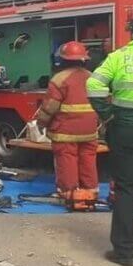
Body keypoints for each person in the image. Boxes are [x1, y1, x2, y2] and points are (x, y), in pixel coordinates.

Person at [87, 17, 133, 266]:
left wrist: (107, 115)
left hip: (126, 129)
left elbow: (94, 84)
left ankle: (125, 253)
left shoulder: (120, 56)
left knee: (128, 189)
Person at [36, 41, 99, 203]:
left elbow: (50, 107)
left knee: (67, 159)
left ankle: (69, 193)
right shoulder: (93, 77)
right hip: (89, 129)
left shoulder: (59, 79)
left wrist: (41, 123)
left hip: (65, 130)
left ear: (63, 60)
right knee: (88, 159)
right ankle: (91, 191)